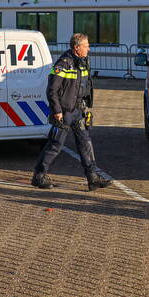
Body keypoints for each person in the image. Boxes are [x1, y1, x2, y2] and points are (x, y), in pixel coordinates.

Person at [31, 33, 113, 191]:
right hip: (65, 112)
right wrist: (57, 111)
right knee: (55, 144)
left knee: (85, 142)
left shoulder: (83, 62)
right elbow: (52, 90)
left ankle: (93, 177)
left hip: (78, 110)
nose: (89, 48)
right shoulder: (64, 63)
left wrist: (86, 107)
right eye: (86, 46)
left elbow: (84, 86)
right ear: (77, 48)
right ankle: (39, 176)